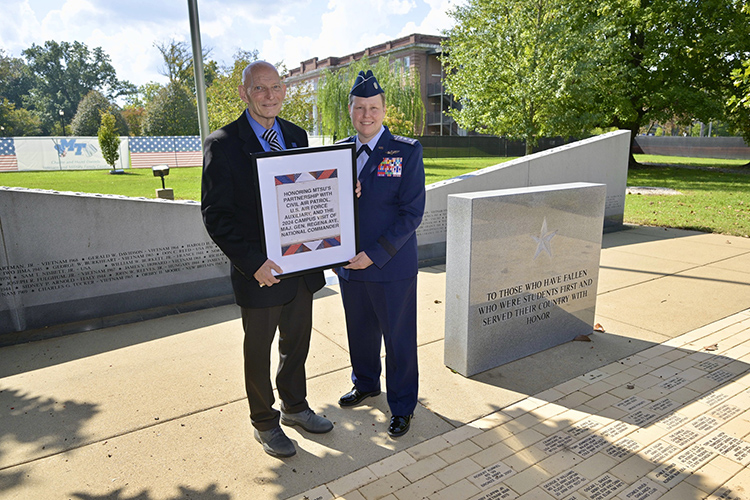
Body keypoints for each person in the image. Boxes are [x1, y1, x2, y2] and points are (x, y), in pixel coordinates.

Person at [201, 61, 332, 458]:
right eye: (260, 89)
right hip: (260, 272)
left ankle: (295, 406)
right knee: (258, 350)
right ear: (244, 93)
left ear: (284, 90)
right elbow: (215, 215)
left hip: (301, 266)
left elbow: (307, 194)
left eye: (276, 87)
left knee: (297, 342)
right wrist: (253, 262)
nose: (270, 95)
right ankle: (264, 421)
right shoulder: (222, 144)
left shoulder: (296, 134)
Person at [336, 70, 426, 437]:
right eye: (360, 108)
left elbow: (412, 213)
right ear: (351, 110)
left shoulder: (406, 151)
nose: (367, 115)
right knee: (360, 332)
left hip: (390, 265)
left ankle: (402, 405)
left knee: (399, 339)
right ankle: (366, 383)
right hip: (348, 266)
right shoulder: (338, 152)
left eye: (374, 107)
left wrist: (374, 254)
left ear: (385, 110)